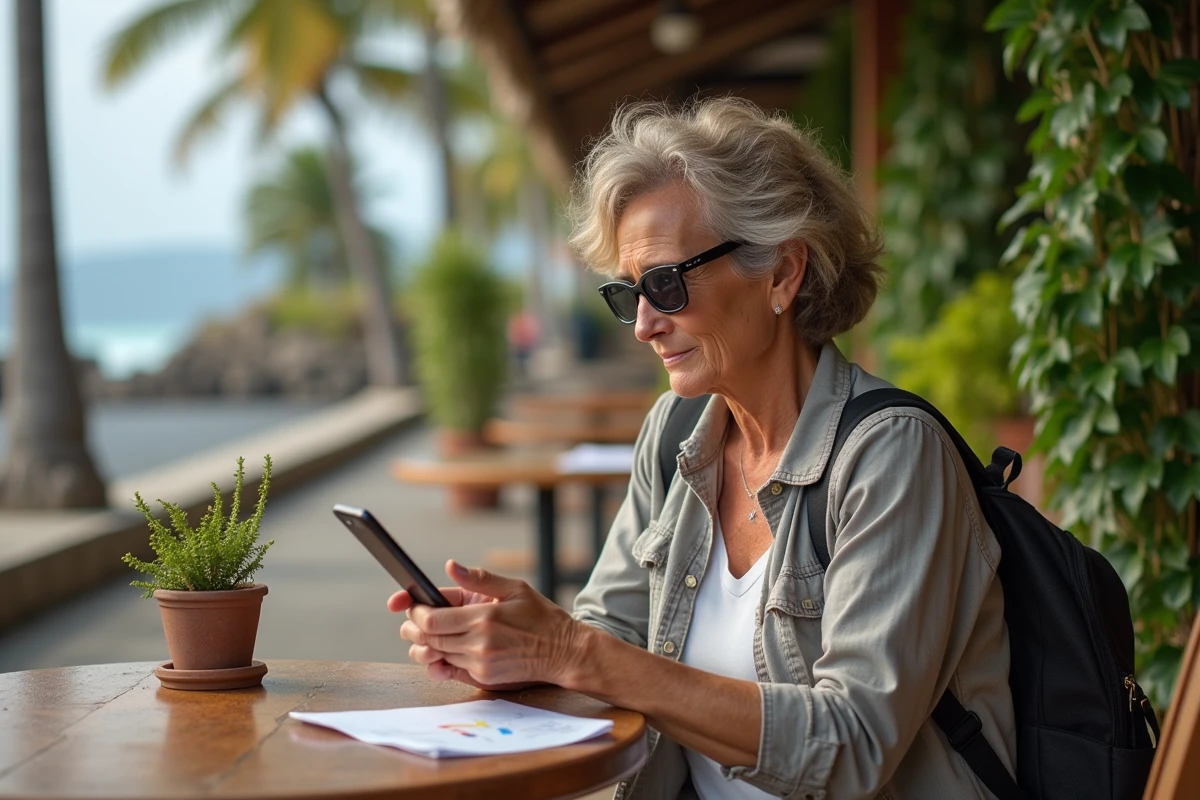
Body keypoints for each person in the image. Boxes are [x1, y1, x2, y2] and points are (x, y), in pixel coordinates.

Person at [388, 97, 1015, 799]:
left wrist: (571, 651)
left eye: (665, 284)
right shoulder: (676, 432)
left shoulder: (892, 456)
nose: (644, 326)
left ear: (782, 273)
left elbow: (852, 745)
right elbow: (610, 629)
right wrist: (513, 645)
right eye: (629, 295)